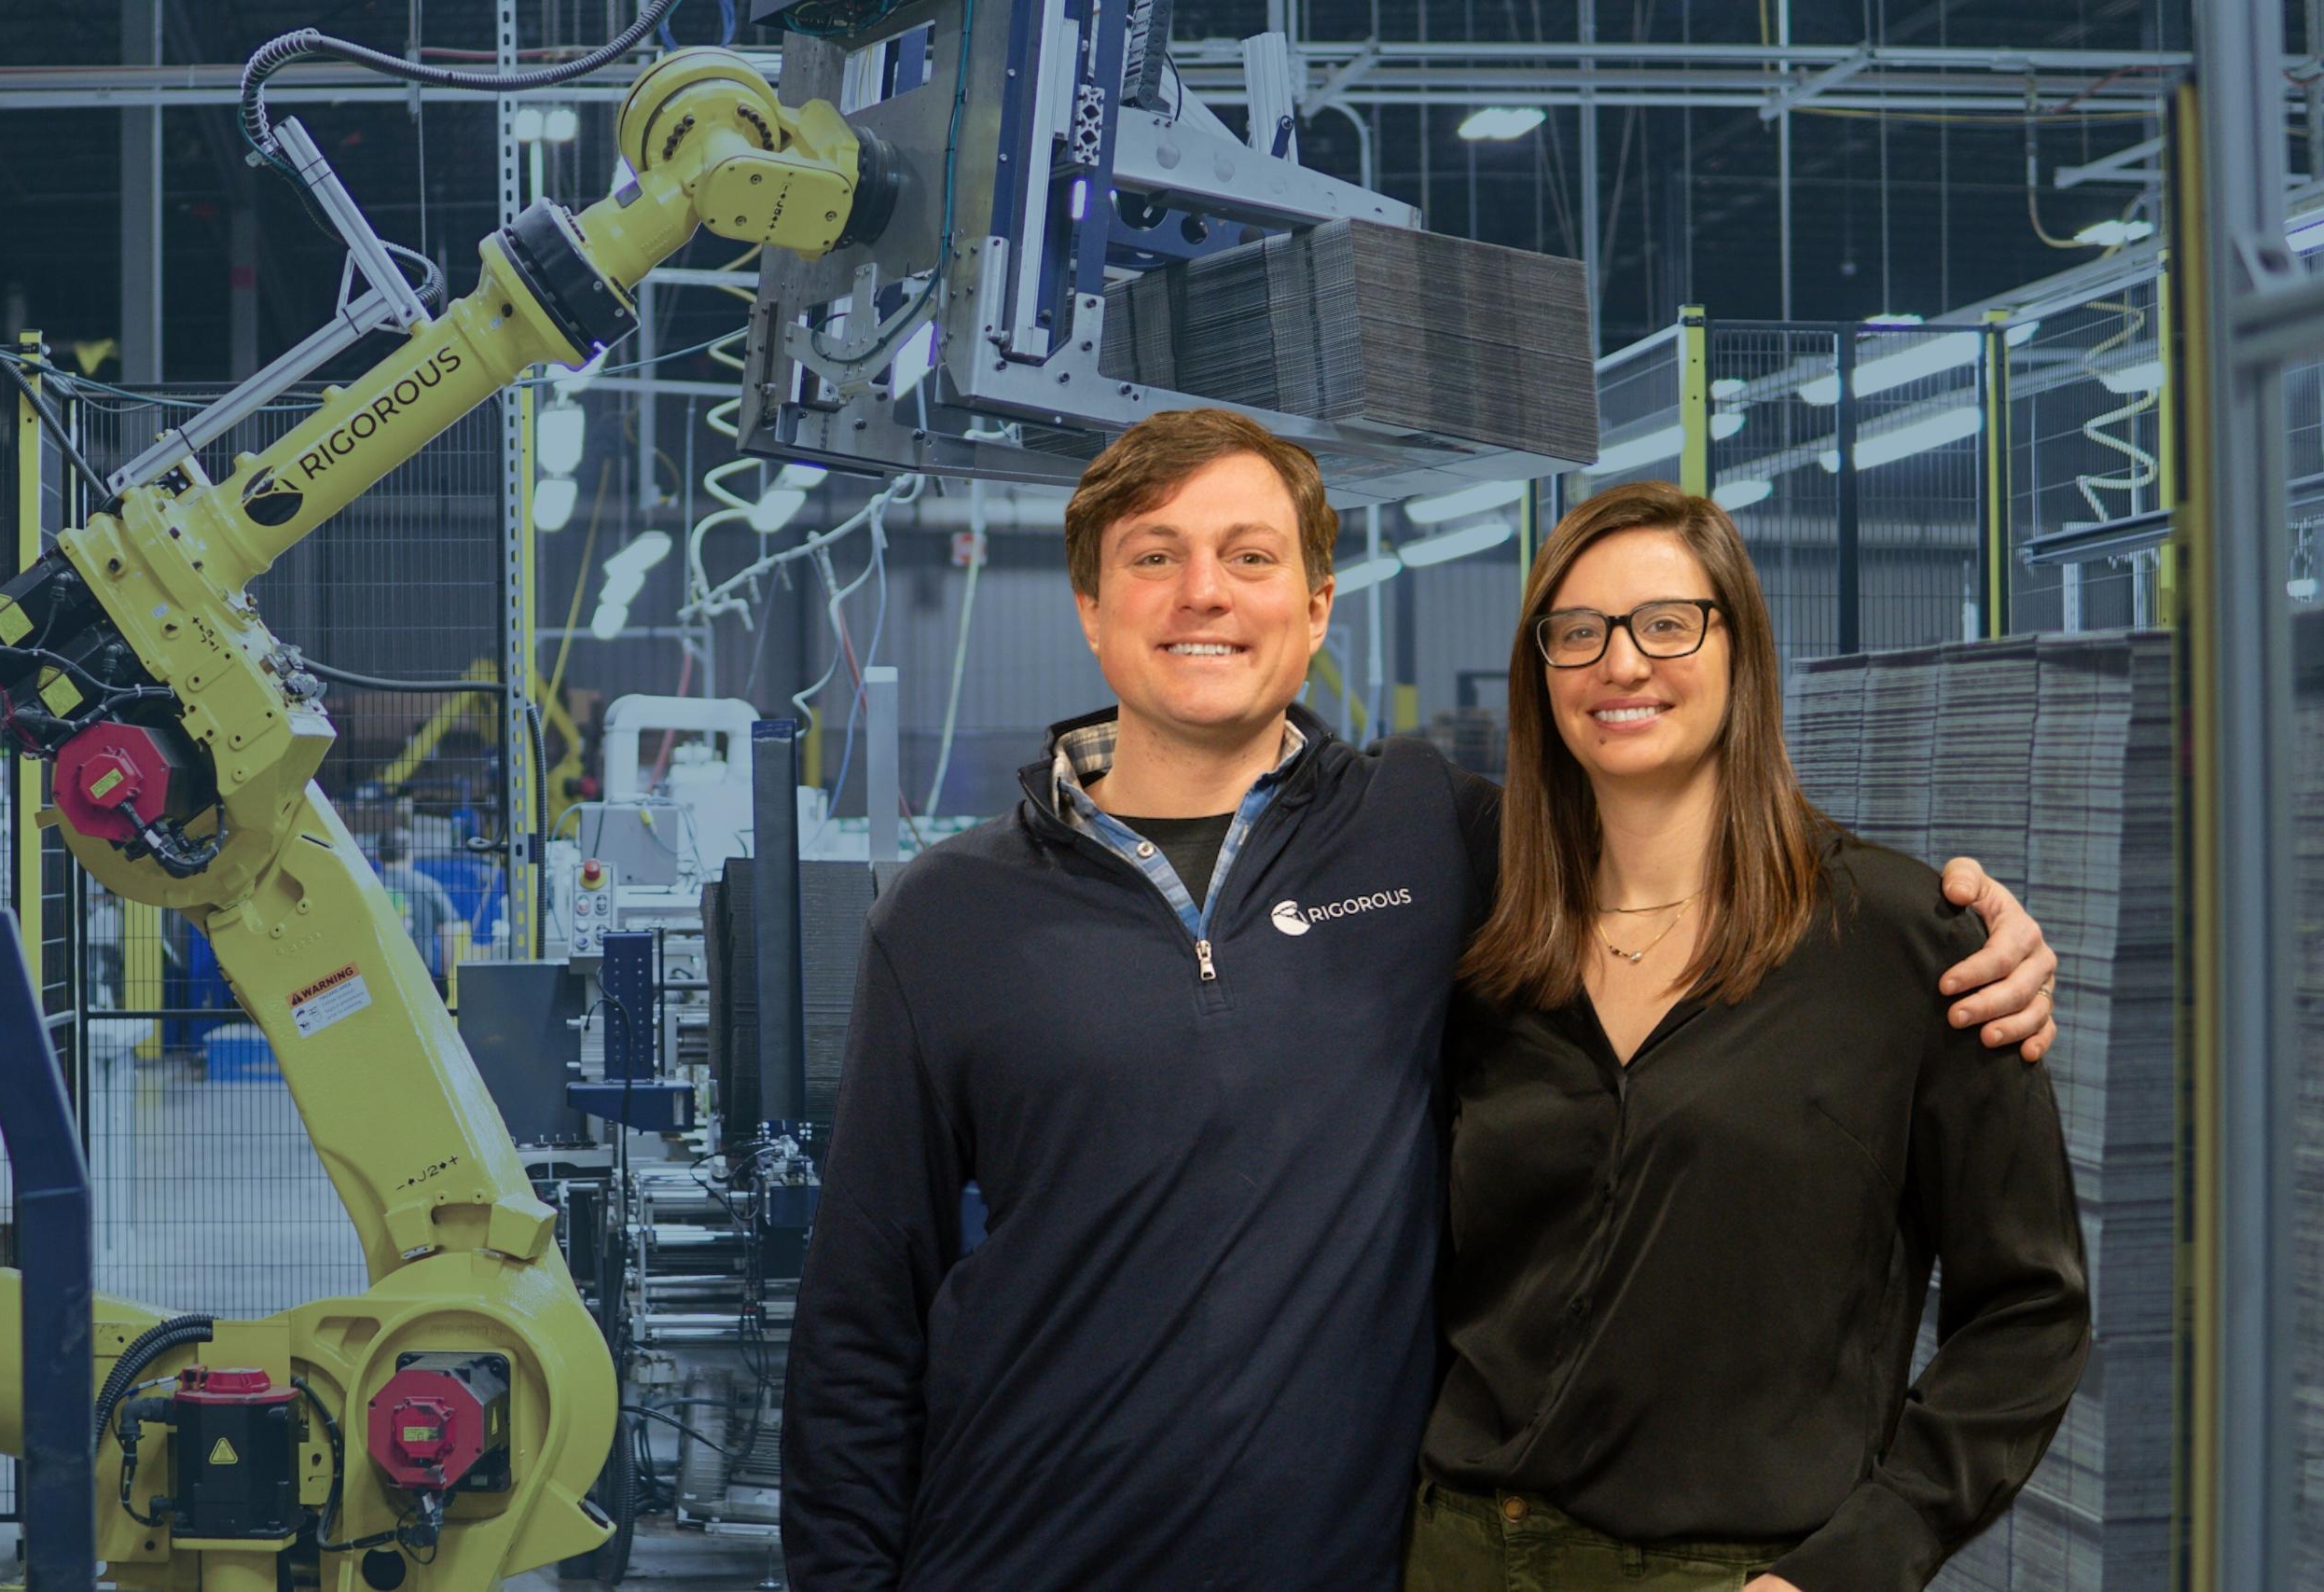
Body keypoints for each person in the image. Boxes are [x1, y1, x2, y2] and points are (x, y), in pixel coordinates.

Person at [780, 410, 2060, 1592]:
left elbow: (1663, 826)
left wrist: (1966, 919)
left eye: (1249, 554)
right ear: (1091, 607)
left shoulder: (1428, 835)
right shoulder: (944, 917)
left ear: (1320, 601)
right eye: (1154, 556)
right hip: (1021, 1556)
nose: (1203, 592)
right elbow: (858, 1327)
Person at [1407, 481, 2090, 1592]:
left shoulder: (1903, 942)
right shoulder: (1484, 954)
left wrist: (1864, 1560)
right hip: (1458, 1553)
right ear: (1542, 675)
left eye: (1666, 623)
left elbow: (2029, 1311)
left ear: (1741, 649)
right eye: (1576, 633)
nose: (1620, 664)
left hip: (1741, 1570)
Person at [375, 827, 461, 976]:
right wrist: (443, 976)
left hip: (380, 974)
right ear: (410, 854)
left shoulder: (367, 887)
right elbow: (448, 937)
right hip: (421, 974)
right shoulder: (429, 886)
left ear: (378, 855)